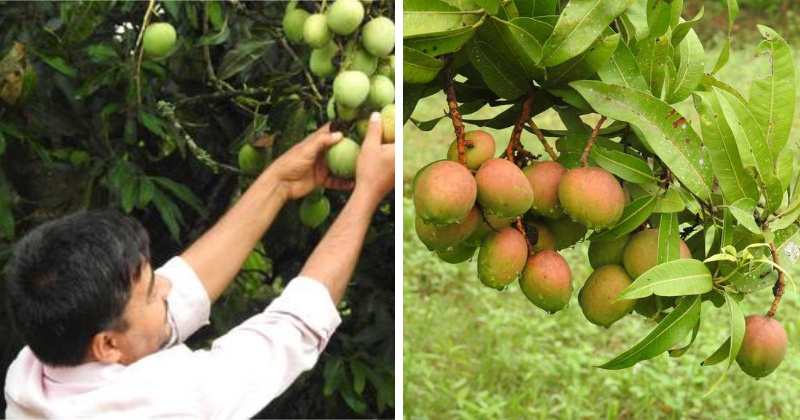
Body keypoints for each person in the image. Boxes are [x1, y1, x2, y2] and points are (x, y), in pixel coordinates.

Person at [3, 112, 395, 418]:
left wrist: (278, 183)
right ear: (106, 345)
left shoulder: (33, 372)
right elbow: (293, 328)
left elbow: (183, 287)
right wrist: (367, 192)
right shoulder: (161, 402)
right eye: (152, 293)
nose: (168, 288)